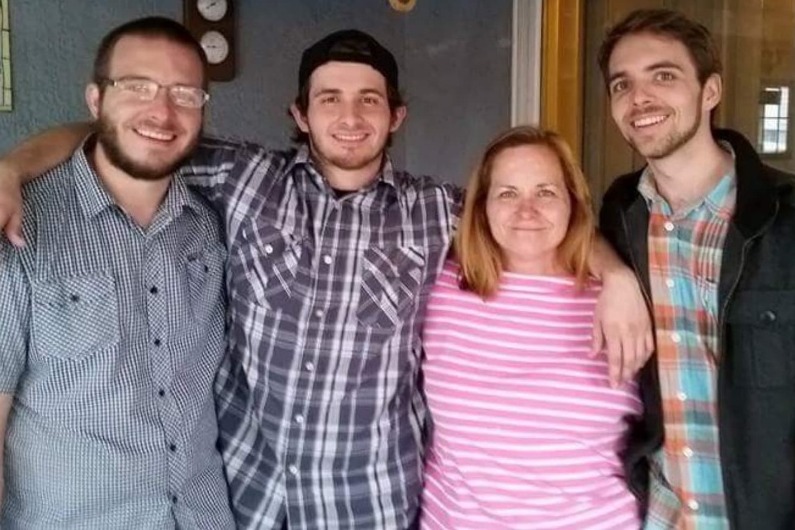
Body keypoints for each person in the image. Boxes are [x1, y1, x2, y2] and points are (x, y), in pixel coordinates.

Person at [0, 27, 653, 529]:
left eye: (369, 100)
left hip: (368, 503)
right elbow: (132, 135)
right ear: (300, 114)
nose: (349, 116)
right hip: (245, 496)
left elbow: (531, 213)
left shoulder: (438, 212)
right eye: (329, 99)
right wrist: (12, 168)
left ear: (396, 116)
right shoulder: (243, 179)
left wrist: (616, 274)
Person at [0, 16, 235, 529]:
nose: (162, 111)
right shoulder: (20, 226)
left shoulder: (210, 226)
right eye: (137, 86)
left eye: (184, 94)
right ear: (95, 99)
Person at [597, 8, 795, 529]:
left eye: (663, 76)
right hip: (662, 516)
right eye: (622, 84)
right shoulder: (621, 214)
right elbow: (562, 229)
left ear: (710, 91)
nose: (639, 98)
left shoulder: (785, 218)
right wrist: (613, 272)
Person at [419, 125, 642, 529]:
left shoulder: (619, 303)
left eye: (546, 192)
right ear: (481, 206)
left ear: (572, 201)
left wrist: (617, 275)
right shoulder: (440, 286)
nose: (527, 210)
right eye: (507, 193)